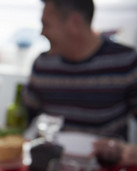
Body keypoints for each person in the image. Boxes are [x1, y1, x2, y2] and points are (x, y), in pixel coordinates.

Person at [23, 0, 137, 141]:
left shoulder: (125, 61)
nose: (42, 33)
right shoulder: (42, 64)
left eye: (46, 25)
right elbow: (23, 118)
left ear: (74, 24)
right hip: (52, 159)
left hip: (105, 161)